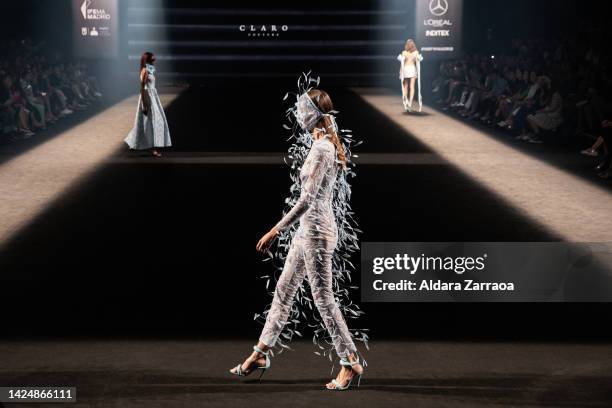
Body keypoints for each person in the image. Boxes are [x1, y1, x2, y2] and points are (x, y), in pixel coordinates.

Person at [229, 89, 365, 391]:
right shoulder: (321, 144)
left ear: (313, 113)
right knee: (284, 289)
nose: (297, 114)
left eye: (302, 109)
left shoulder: (322, 150)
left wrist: (274, 230)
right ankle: (260, 353)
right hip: (308, 230)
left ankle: (350, 361)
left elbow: (306, 199)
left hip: (316, 232)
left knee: (323, 299)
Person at [124, 52, 171, 157]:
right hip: (147, 97)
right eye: (153, 58)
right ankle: (153, 149)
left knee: (150, 122)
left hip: (153, 96)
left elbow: (151, 84)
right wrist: (145, 103)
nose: (155, 59)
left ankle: (133, 142)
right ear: (148, 60)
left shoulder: (151, 70)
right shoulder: (145, 71)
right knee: (152, 122)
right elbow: (142, 88)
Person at [397, 39, 423, 112]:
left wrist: (400, 72)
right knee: (412, 87)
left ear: (407, 45)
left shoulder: (404, 52)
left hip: (405, 69)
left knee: (405, 86)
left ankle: (408, 102)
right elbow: (418, 61)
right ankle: (410, 103)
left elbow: (401, 63)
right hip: (412, 69)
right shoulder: (416, 52)